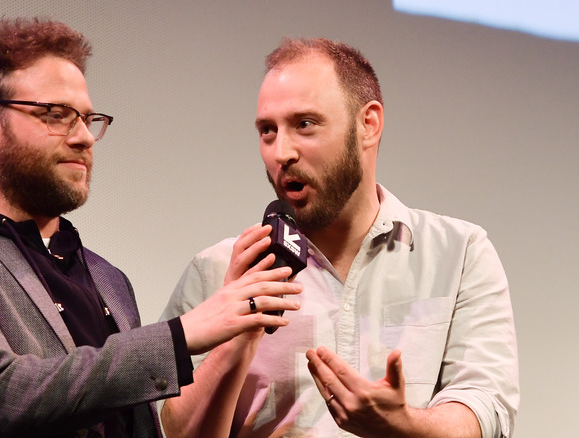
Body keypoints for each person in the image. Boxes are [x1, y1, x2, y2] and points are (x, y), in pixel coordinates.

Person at [0, 18, 303, 438]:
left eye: (87, 118)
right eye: (56, 114)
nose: (83, 138)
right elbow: (0, 395)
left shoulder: (107, 279)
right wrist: (183, 334)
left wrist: (237, 328)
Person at [160, 38, 519, 438]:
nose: (281, 152)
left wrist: (405, 426)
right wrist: (237, 338)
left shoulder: (459, 253)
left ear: (369, 125)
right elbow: (173, 433)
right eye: (267, 130)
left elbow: (487, 409)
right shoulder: (216, 272)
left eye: (304, 124)